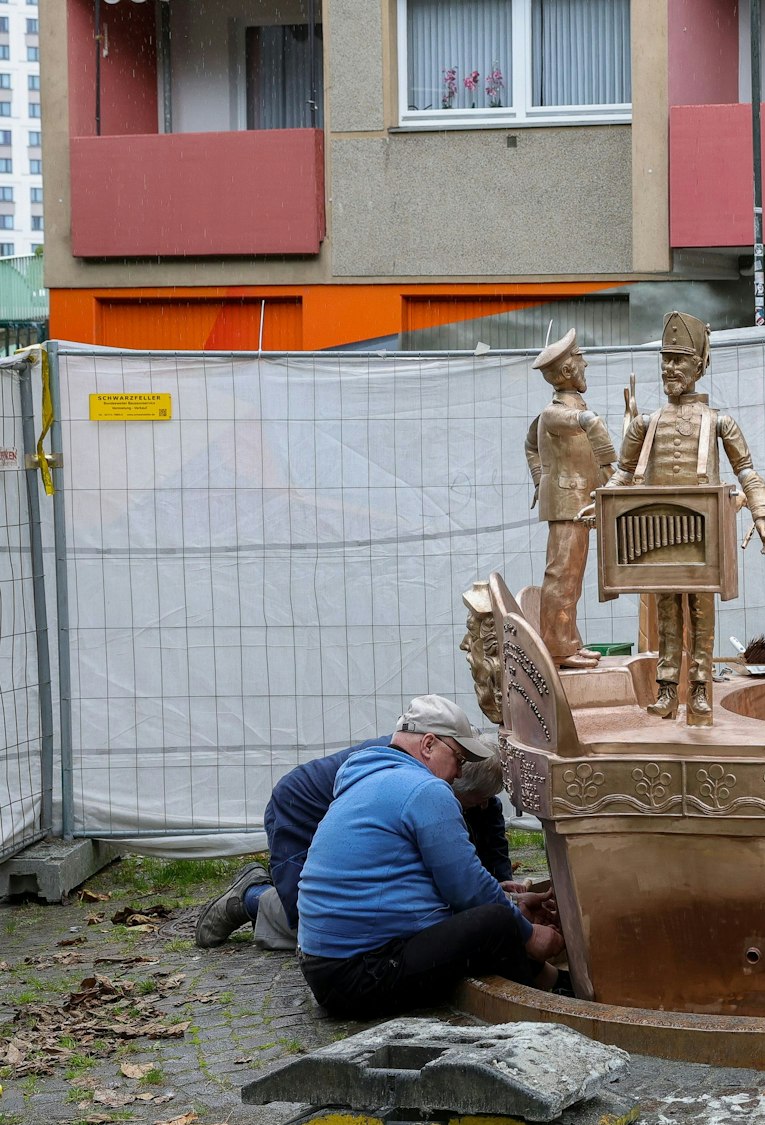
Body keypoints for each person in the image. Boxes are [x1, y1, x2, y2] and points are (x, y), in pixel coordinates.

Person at [294, 695, 563, 1019]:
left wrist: (507, 896)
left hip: (322, 967)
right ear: (429, 745)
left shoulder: (368, 777)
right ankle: (545, 1009)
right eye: (460, 759)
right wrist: (530, 935)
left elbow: (422, 885)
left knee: (498, 914)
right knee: (497, 921)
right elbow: (468, 889)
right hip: (359, 976)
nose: (457, 773)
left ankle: (550, 982)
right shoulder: (425, 789)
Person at [194, 698, 516, 952]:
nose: (485, 806)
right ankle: (250, 897)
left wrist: (503, 887)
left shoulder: (457, 762)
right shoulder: (411, 776)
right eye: (477, 800)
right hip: (299, 810)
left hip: (342, 807)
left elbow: (486, 823)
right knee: (315, 921)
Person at [611, 310, 765, 725]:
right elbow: (620, 475)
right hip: (659, 537)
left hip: (706, 538)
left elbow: (747, 470)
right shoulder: (645, 424)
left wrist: (760, 512)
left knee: (701, 616)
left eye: (679, 360)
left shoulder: (720, 421)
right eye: (665, 359)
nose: (669, 368)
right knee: (667, 616)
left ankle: (700, 693)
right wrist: (600, 505)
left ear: (700, 365)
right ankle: (667, 692)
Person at [525, 328, 617, 669]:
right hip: (568, 502)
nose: (585, 364)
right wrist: (611, 465)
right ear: (566, 371)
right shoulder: (556, 412)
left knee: (571, 577)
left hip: (579, 500)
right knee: (562, 576)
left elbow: (531, 445)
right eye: (580, 359)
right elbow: (581, 424)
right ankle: (558, 648)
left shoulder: (571, 407)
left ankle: (568, 642)